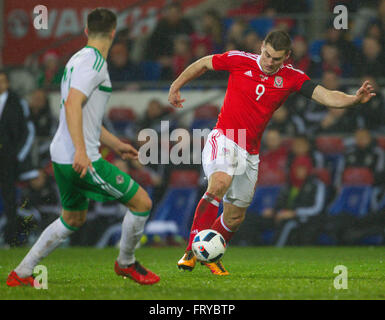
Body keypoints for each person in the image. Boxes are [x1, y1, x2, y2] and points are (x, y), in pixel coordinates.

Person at [168, 29, 375, 275]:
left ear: (286, 56)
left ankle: (211, 253)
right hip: (224, 137)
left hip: (250, 152)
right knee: (219, 183)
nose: (269, 62)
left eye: (276, 59)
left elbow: (326, 95)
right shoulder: (239, 60)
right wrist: (176, 85)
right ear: (262, 46)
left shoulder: (292, 77)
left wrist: (353, 99)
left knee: (234, 218)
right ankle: (191, 251)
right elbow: (204, 63)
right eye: (266, 54)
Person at [7, 8, 160, 287]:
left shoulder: (77, 59)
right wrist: (81, 150)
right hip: (82, 158)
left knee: (73, 218)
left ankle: (23, 272)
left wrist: (116, 145)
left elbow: (83, 114)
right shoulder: (95, 63)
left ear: (87, 31)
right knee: (142, 203)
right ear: (113, 32)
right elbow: (73, 104)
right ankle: (126, 263)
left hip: (62, 155)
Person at [0, 70, 35, 247]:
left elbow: (28, 130)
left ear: (8, 83)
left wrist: (18, 156)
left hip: (9, 158)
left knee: (10, 200)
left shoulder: (17, 102)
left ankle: (11, 238)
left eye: (3, 81)